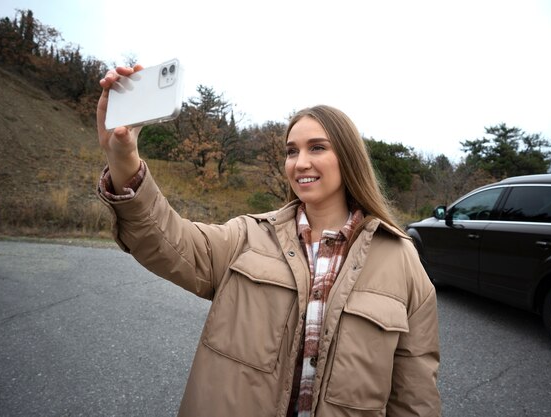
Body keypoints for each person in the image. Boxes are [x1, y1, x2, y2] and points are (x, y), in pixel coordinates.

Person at [96, 65, 441, 417]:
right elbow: (166, 240)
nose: (300, 163)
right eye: (292, 151)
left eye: (317, 148)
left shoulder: (403, 262)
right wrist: (123, 158)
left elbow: (414, 399)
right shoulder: (246, 237)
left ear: (349, 157)